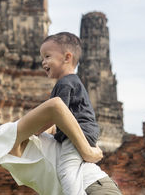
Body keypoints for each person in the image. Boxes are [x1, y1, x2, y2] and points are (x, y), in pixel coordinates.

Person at [0, 97, 122, 195]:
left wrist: (87, 150)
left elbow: (55, 106)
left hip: (91, 188)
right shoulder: (2, 144)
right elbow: (51, 124)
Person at [39, 32, 110, 194]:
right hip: (84, 132)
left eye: (47, 56)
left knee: (66, 171)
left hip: (79, 133)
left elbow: (56, 114)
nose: (43, 62)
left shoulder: (65, 83)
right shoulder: (71, 81)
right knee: (74, 169)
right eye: (42, 58)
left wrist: (35, 130)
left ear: (67, 57)